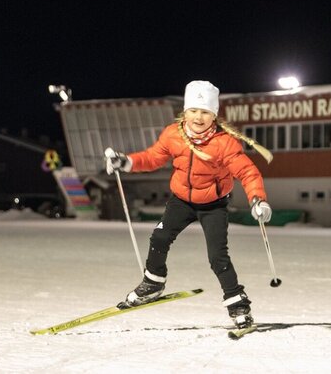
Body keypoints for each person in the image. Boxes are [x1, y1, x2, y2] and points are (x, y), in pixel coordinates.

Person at [105, 80, 273, 330]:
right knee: (160, 237)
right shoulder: (173, 135)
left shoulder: (224, 142)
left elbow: (247, 172)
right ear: (185, 111)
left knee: (217, 257)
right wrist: (126, 162)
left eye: (205, 112)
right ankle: (153, 283)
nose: (198, 117)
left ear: (214, 115)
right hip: (181, 201)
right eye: (194, 110)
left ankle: (238, 304)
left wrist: (258, 199)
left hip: (213, 205)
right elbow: (152, 158)